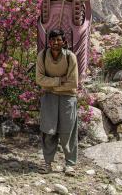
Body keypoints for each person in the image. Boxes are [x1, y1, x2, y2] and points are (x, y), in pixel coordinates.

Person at [35, 29, 79, 176]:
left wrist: (50, 84)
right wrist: (60, 80)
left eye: (59, 40)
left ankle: (70, 164)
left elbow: (73, 83)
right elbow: (39, 80)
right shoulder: (42, 56)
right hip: (49, 98)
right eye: (53, 40)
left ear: (64, 42)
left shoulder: (70, 57)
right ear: (49, 42)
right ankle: (47, 163)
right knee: (49, 131)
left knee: (68, 132)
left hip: (68, 98)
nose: (56, 42)